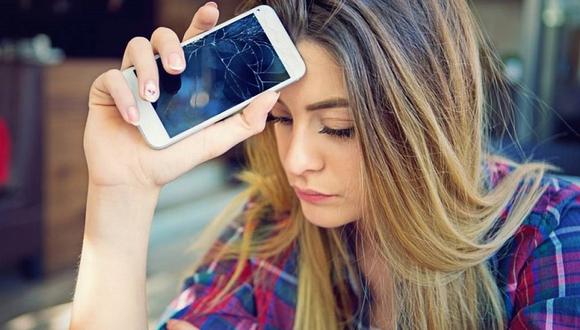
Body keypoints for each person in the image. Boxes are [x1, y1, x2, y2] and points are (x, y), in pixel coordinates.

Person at [69, 0, 580, 329]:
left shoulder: (555, 238)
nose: (296, 163)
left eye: (339, 128)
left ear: (431, 121)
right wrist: (121, 192)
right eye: (282, 119)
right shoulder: (273, 227)